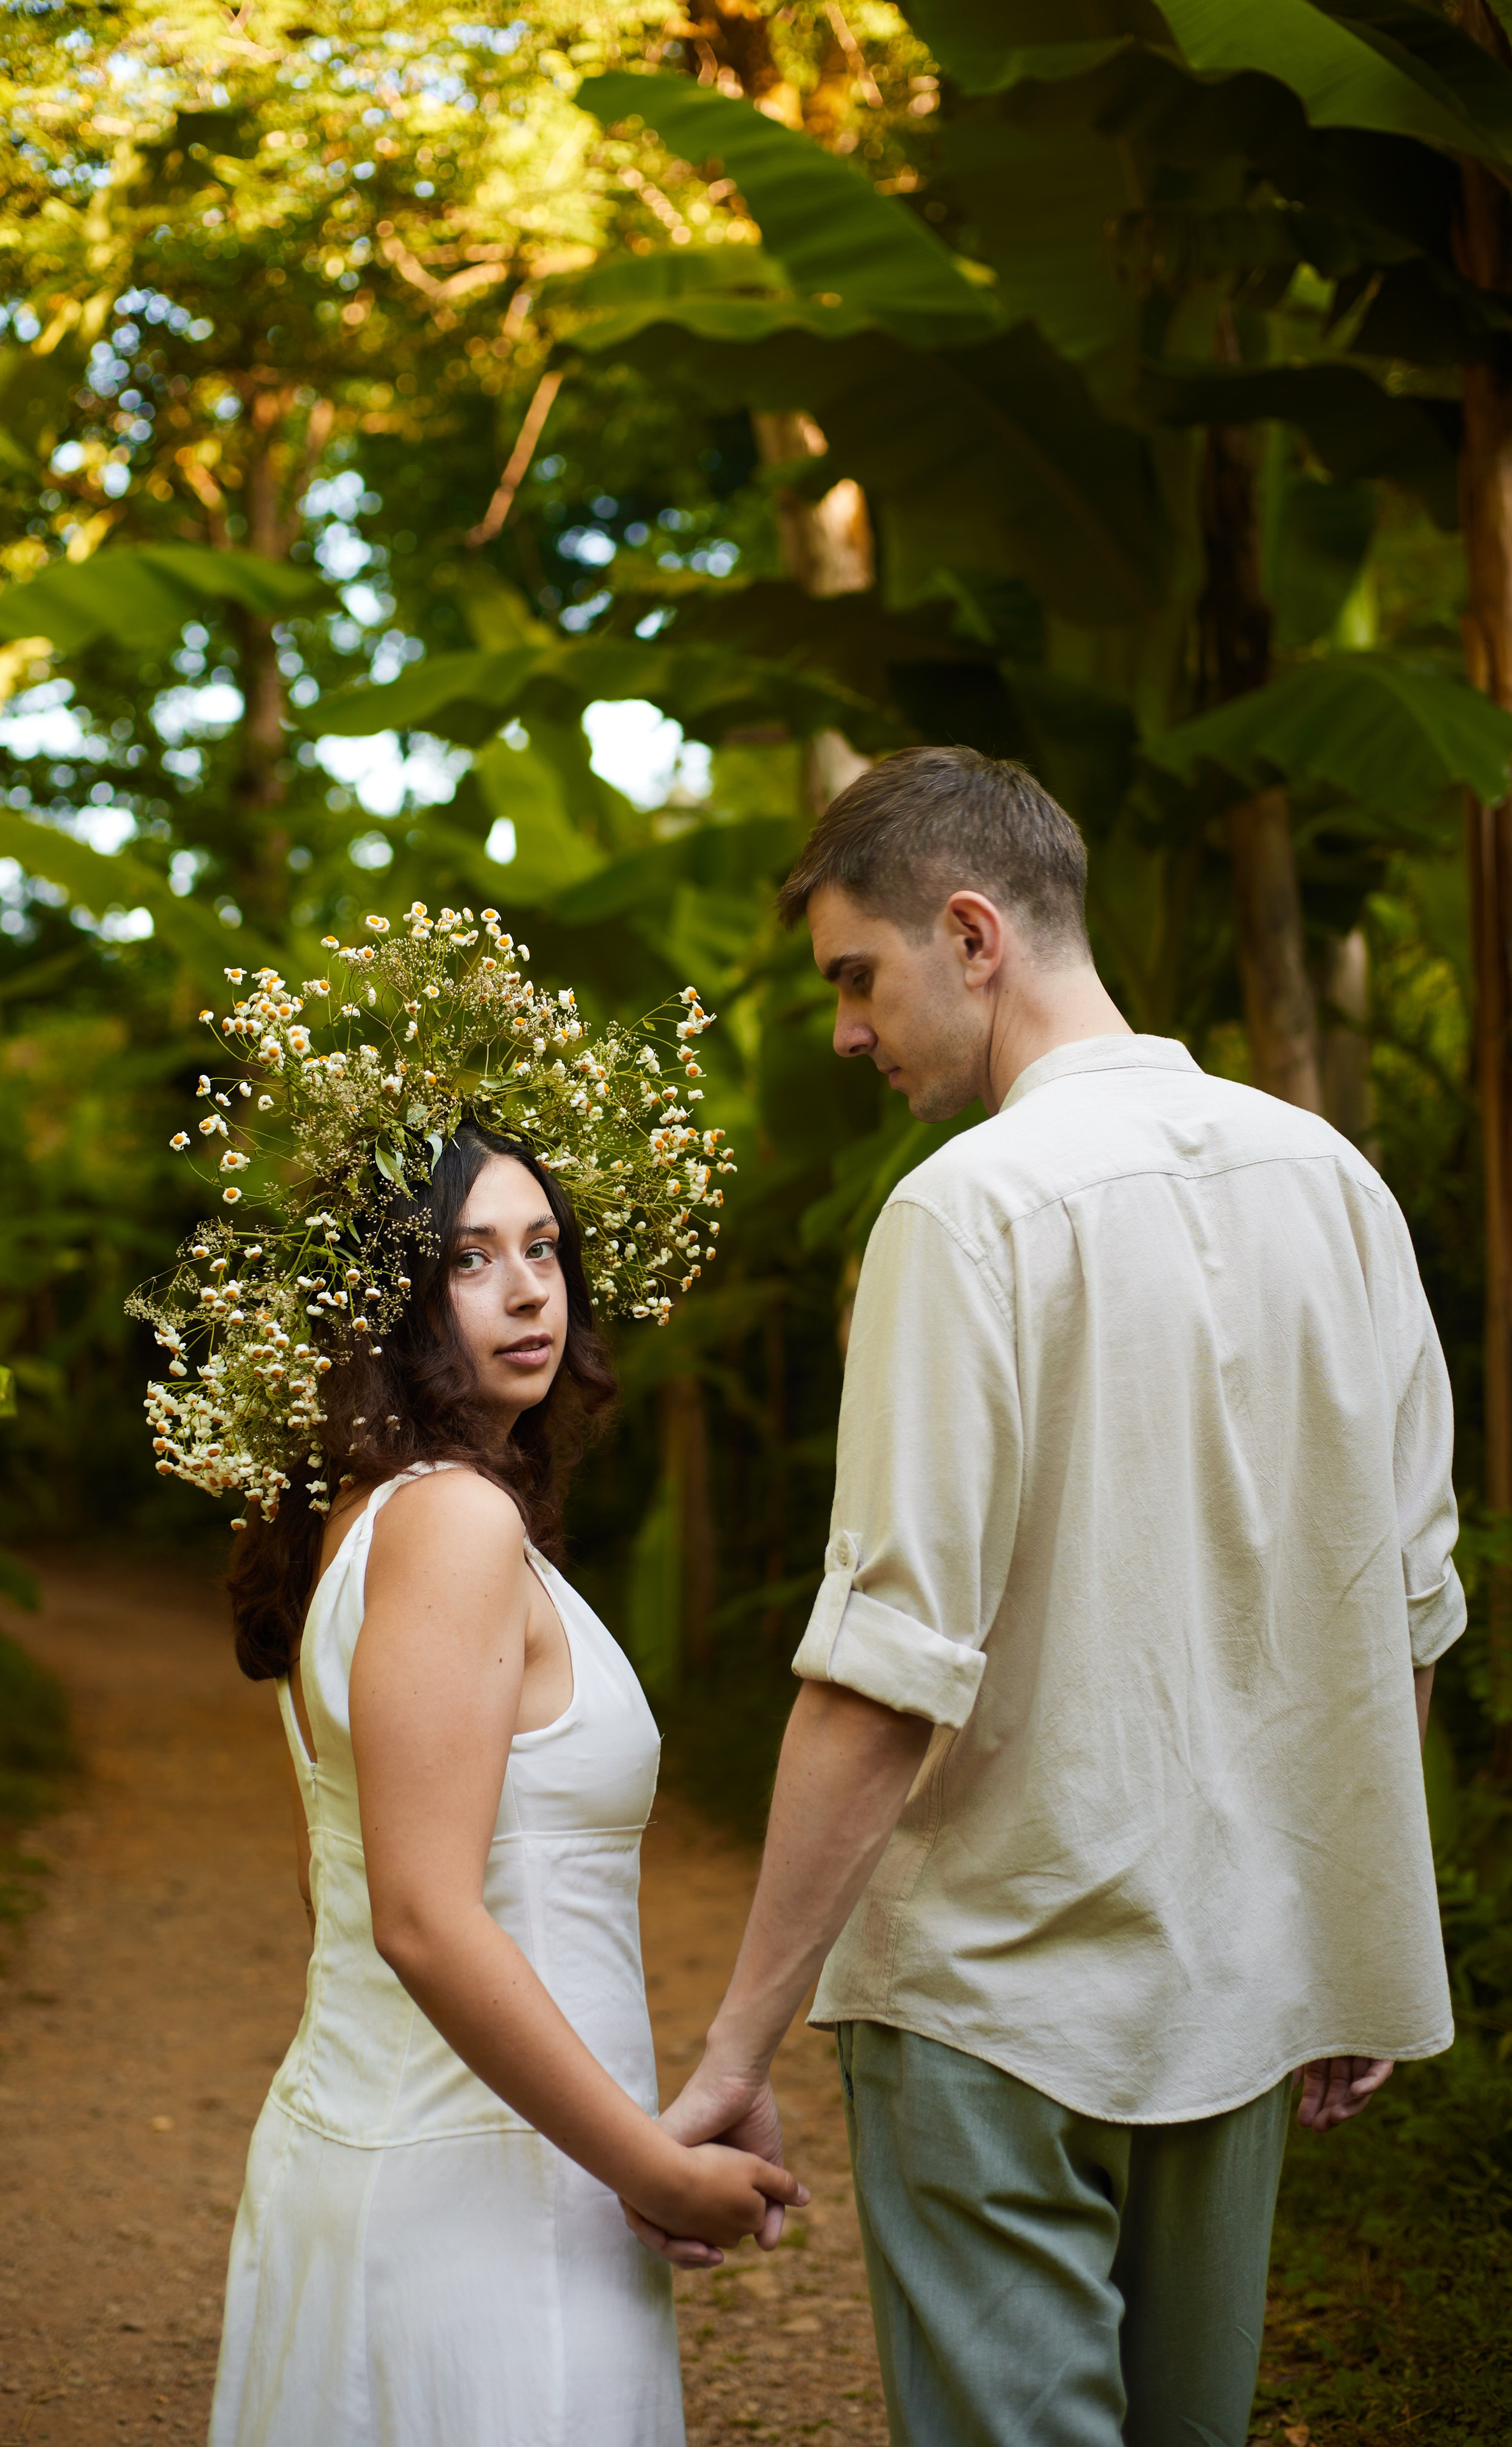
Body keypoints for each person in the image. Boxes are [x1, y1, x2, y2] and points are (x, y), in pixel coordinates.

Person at [633, 748, 1464, 2447]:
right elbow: (1406, 1614)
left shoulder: (964, 1215)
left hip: (988, 2003)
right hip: (1237, 1994)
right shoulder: (1337, 1186)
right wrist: (1343, 1949)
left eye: (857, 978)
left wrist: (737, 2045)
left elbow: (882, 1676)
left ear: (971, 932)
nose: (849, 1033)